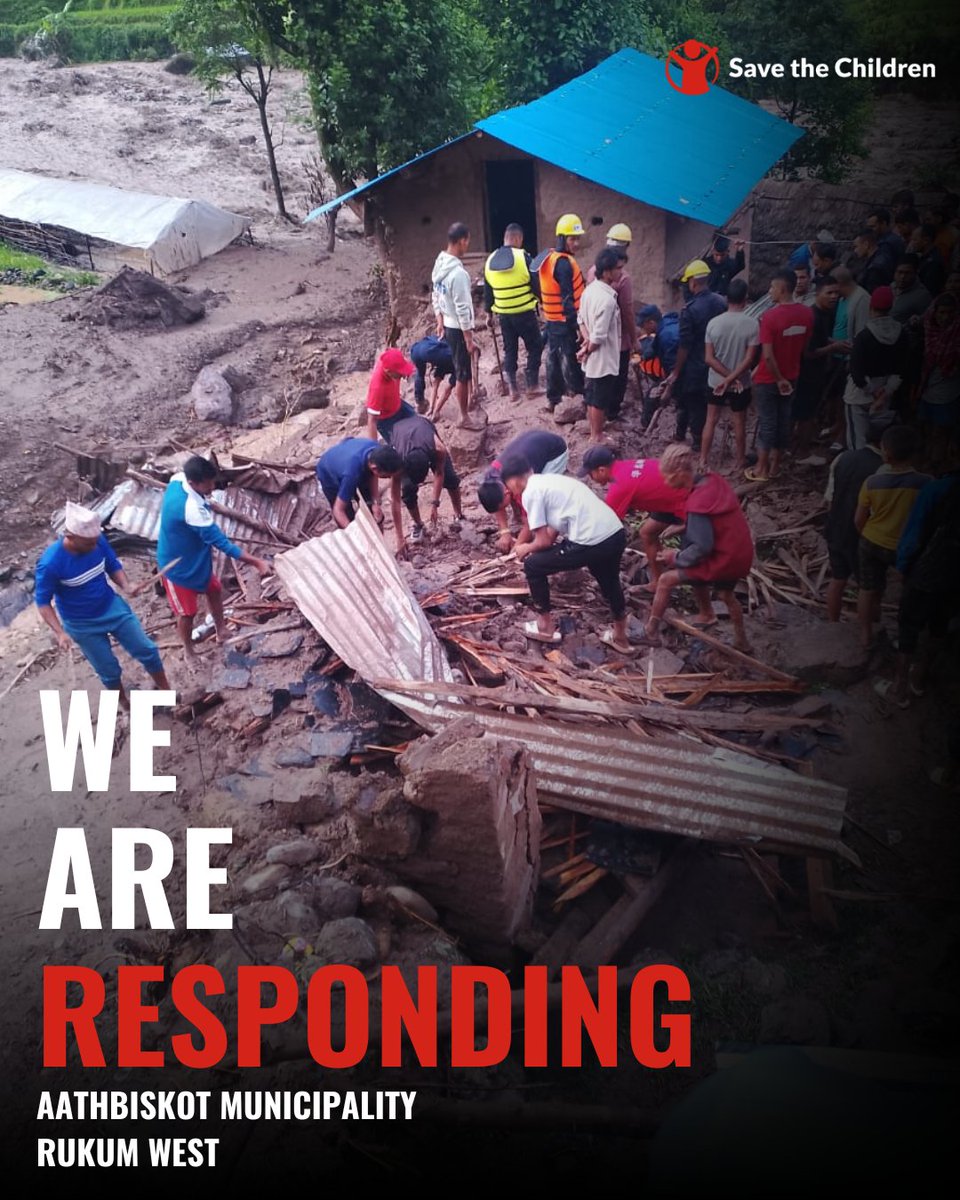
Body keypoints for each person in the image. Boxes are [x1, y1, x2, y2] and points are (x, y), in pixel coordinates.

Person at [35, 502, 170, 706]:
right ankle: (124, 703)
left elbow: (112, 565)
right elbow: (43, 603)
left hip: (111, 607)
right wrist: (59, 632)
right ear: (70, 537)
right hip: (82, 624)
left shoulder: (97, 541)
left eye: (96, 541)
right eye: (88, 543)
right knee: (108, 669)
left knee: (147, 650)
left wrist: (126, 584)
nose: (94, 546)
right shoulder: (50, 564)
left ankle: (165, 691)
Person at [500, 456, 629, 652]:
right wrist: (539, 545)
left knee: (533, 565)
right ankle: (620, 636)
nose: (508, 489)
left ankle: (545, 627)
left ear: (515, 479)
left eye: (507, 484)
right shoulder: (550, 481)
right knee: (608, 579)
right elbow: (552, 533)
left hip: (591, 540)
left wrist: (524, 548)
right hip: (614, 534)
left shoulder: (530, 493)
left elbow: (542, 541)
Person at [641, 444, 753, 651]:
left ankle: (650, 632)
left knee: (666, 580)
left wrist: (675, 557)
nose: (665, 482)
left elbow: (702, 547)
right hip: (739, 553)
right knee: (726, 595)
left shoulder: (698, 503)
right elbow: (713, 524)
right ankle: (741, 640)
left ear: (680, 473)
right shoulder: (713, 482)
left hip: (722, 559)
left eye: (667, 477)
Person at [158, 456, 271, 658]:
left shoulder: (178, 479)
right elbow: (224, 545)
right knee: (187, 613)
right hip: (176, 567)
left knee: (214, 589)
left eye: (212, 480)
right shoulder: (191, 510)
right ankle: (188, 652)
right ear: (193, 483)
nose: (212, 486)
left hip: (195, 557)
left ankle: (221, 630)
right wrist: (258, 562)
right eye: (208, 483)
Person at [877, 470, 960, 706]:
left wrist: (903, 566)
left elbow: (915, 532)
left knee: (909, 624)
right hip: (955, 578)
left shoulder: (938, 489)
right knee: (940, 624)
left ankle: (899, 686)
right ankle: (919, 678)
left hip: (930, 567)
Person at [854, 425, 931, 650]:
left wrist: (866, 535)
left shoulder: (872, 483)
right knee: (907, 591)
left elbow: (858, 519)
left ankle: (866, 634)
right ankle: (903, 634)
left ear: (885, 453)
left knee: (867, 589)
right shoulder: (926, 483)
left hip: (872, 540)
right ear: (915, 453)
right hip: (906, 546)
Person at [579, 445, 689, 591]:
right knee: (647, 533)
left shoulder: (620, 487)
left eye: (590, 474)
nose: (591, 479)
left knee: (694, 558)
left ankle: (693, 596)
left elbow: (605, 524)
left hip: (686, 501)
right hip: (669, 496)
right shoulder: (626, 466)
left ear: (601, 470)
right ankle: (657, 582)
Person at [747, 269, 814, 481]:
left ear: (782, 289)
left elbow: (767, 356)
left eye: (772, 288)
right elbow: (805, 349)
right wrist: (786, 379)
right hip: (792, 375)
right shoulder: (807, 314)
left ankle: (761, 469)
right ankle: (776, 466)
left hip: (769, 379)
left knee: (767, 422)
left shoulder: (770, 317)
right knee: (784, 420)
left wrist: (778, 379)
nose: (770, 292)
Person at [823, 418, 885, 622]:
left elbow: (830, 500)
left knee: (838, 578)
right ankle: (868, 631)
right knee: (868, 588)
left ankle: (832, 623)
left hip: (836, 528)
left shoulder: (843, 458)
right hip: (862, 534)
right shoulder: (882, 470)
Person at [662, 259, 726, 452]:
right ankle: (697, 435)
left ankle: (697, 440)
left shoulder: (689, 310)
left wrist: (676, 371)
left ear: (693, 283)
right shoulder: (720, 302)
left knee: (693, 400)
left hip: (695, 365)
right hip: (717, 362)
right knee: (709, 401)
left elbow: (685, 345)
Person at [701, 277, 760, 471]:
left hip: (715, 381)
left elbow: (709, 358)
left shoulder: (713, 323)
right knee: (739, 421)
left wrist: (725, 379)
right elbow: (749, 360)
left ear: (727, 299)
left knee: (711, 419)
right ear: (745, 299)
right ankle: (740, 460)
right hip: (741, 383)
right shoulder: (752, 325)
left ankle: (703, 460)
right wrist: (732, 380)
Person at [478, 429, 569, 553]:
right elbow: (497, 505)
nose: (504, 507)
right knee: (518, 497)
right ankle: (520, 515)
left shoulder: (523, 486)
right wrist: (505, 533)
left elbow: (529, 522)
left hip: (554, 452)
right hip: (531, 440)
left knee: (541, 499)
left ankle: (547, 536)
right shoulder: (490, 479)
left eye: (505, 505)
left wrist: (518, 547)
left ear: (506, 493)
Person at [384, 415, 462, 554]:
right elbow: (395, 500)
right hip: (400, 432)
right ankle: (418, 524)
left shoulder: (438, 448)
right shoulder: (397, 458)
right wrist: (399, 537)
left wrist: (435, 504)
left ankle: (459, 515)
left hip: (422, 426)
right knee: (407, 490)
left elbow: (439, 473)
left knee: (450, 478)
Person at [843, 286, 908, 451]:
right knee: (878, 442)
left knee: (858, 441)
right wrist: (885, 392)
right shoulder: (901, 333)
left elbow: (856, 371)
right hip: (885, 392)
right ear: (891, 307)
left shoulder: (864, 336)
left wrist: (871, 390)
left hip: (860, 393)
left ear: (871, 307)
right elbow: (901, 368)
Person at [483, 222, 542, 400]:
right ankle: (532, 385)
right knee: (536, 346)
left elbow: (488, 290)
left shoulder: (490, 259)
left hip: (504, 315)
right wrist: (542, 301)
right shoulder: (523, 257)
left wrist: (488, 314)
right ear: (518, 239)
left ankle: (513, 389)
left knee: (510, 351)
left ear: (505, 238)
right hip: (524, 313)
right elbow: (535, 283)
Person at [586, 224, 637, 418]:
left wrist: (585, 339)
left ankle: (594, 411)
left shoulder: (593, 271)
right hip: (615, 337)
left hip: (594, 334)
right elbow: (627, 311)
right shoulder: (623, 278)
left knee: (595, 376)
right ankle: (610, 413)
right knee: (616, 377)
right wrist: (634, 339)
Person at [536, 213, 586, 412]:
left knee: (553, 357)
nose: (576, 243)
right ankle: (575, 395)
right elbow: (567, 299)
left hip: (552, 318)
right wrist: (576, 326)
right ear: (562, 239)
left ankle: (554, 397)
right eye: (573, 239)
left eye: (578, 239)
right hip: (564, 320)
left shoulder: (548, 257)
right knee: (567, 357)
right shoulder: (564, 264)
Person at [431, 221, 478, 428]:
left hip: (448, 325)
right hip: (458, 329)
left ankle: (464, 413)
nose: (468, 245)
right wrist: (469, 338)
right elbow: (463, 309)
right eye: (467, 241)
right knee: (462, 373)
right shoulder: (458, 274)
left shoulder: (440, 263)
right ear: (461, 241)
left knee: (461, 370)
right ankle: (463, 416)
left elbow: (436, 295)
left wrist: (439, 320)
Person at [577, 248, 623, 442]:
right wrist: (587, 348)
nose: (621, 272)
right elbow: (599, 337)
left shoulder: (589, 290)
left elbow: (581, 321)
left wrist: (585, 343)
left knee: (592, 396)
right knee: (599, 400)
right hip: (603, 359)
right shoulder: (607, 300)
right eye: (618, 268)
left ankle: (594, 430)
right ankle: (597, 435)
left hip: (592, 357)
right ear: (606, 272)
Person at [793, 275, 840, 461]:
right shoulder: (813, 316)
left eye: (836, 292)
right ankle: (802, 452)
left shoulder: (825, 314)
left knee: (807, 411)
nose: (834, 296)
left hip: (816, 371)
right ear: (818, 294)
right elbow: (809, 352)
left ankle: (796, 446)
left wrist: (834, 342)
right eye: (829, 293)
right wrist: (833, 347)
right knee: (806, 413)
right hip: (808, 373)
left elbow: (821, 339)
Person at [315, 438, 402, 530]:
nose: (389, 478)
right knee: (348, 515)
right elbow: (338, 510)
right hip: (328, 472)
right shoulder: (351, 474)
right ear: (375, 468)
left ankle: (378, 539)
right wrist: (354, 534)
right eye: (386, 476)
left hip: (349, 458)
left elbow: (372, 476)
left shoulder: (377, 451)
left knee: (373, 511)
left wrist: (375, 503)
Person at [918, 292, 960, 466]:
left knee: (940, 430)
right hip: (927, 386)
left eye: (949, 313)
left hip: (948, 389)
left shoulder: (956, 334)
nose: (945, 317)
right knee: (926, 426)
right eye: (941, 312)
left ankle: (937, 462)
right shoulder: (928, 327)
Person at [637, 304, 681, 429]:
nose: (642, 329)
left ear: (650, 323)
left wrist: (668, 389)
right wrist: (642, 358)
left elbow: (675, 369)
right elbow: (654, 348)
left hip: (683, 376)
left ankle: (681, 437)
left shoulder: (667, 336)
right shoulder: (665, 326)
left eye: (642, 326)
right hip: (678, 373)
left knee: (653, 398)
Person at [365, 346, 417, 441]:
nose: (403, 375)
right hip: (386, 419)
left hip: (398, 404)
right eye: (400, 373)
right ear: (389, 372)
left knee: (419, 425)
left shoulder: (390, 359)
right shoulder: (377, 387)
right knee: (400, 445)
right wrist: (373, 448)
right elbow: (372, 420)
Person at [409, 334, 455, 415]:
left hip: (416, 350)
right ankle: (434, 411)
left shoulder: (441, 341)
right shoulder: (452, 357)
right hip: (434, 353)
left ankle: (420, 403)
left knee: (420, 374)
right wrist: (436, 411)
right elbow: (447, 390)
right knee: (447, 386)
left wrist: (431, 409)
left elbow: (435, 385)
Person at [890, 255, 932, 325]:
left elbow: (927, 319)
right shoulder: (889, 288)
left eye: (907, 273)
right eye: (900, 272)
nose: (902, 277)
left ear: (915, 273)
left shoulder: (922, 296)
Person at [852, 227, 895, 293]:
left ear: (866, 244)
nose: (855, 250)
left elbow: (871, 293)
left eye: (856, 246)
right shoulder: (882, 256)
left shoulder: (875, 268)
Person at [913, 223, 948, 298]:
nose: (912, 243)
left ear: (926, 240)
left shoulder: (934, 263)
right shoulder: (924, 257)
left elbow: (928, 290)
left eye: (915, 240)